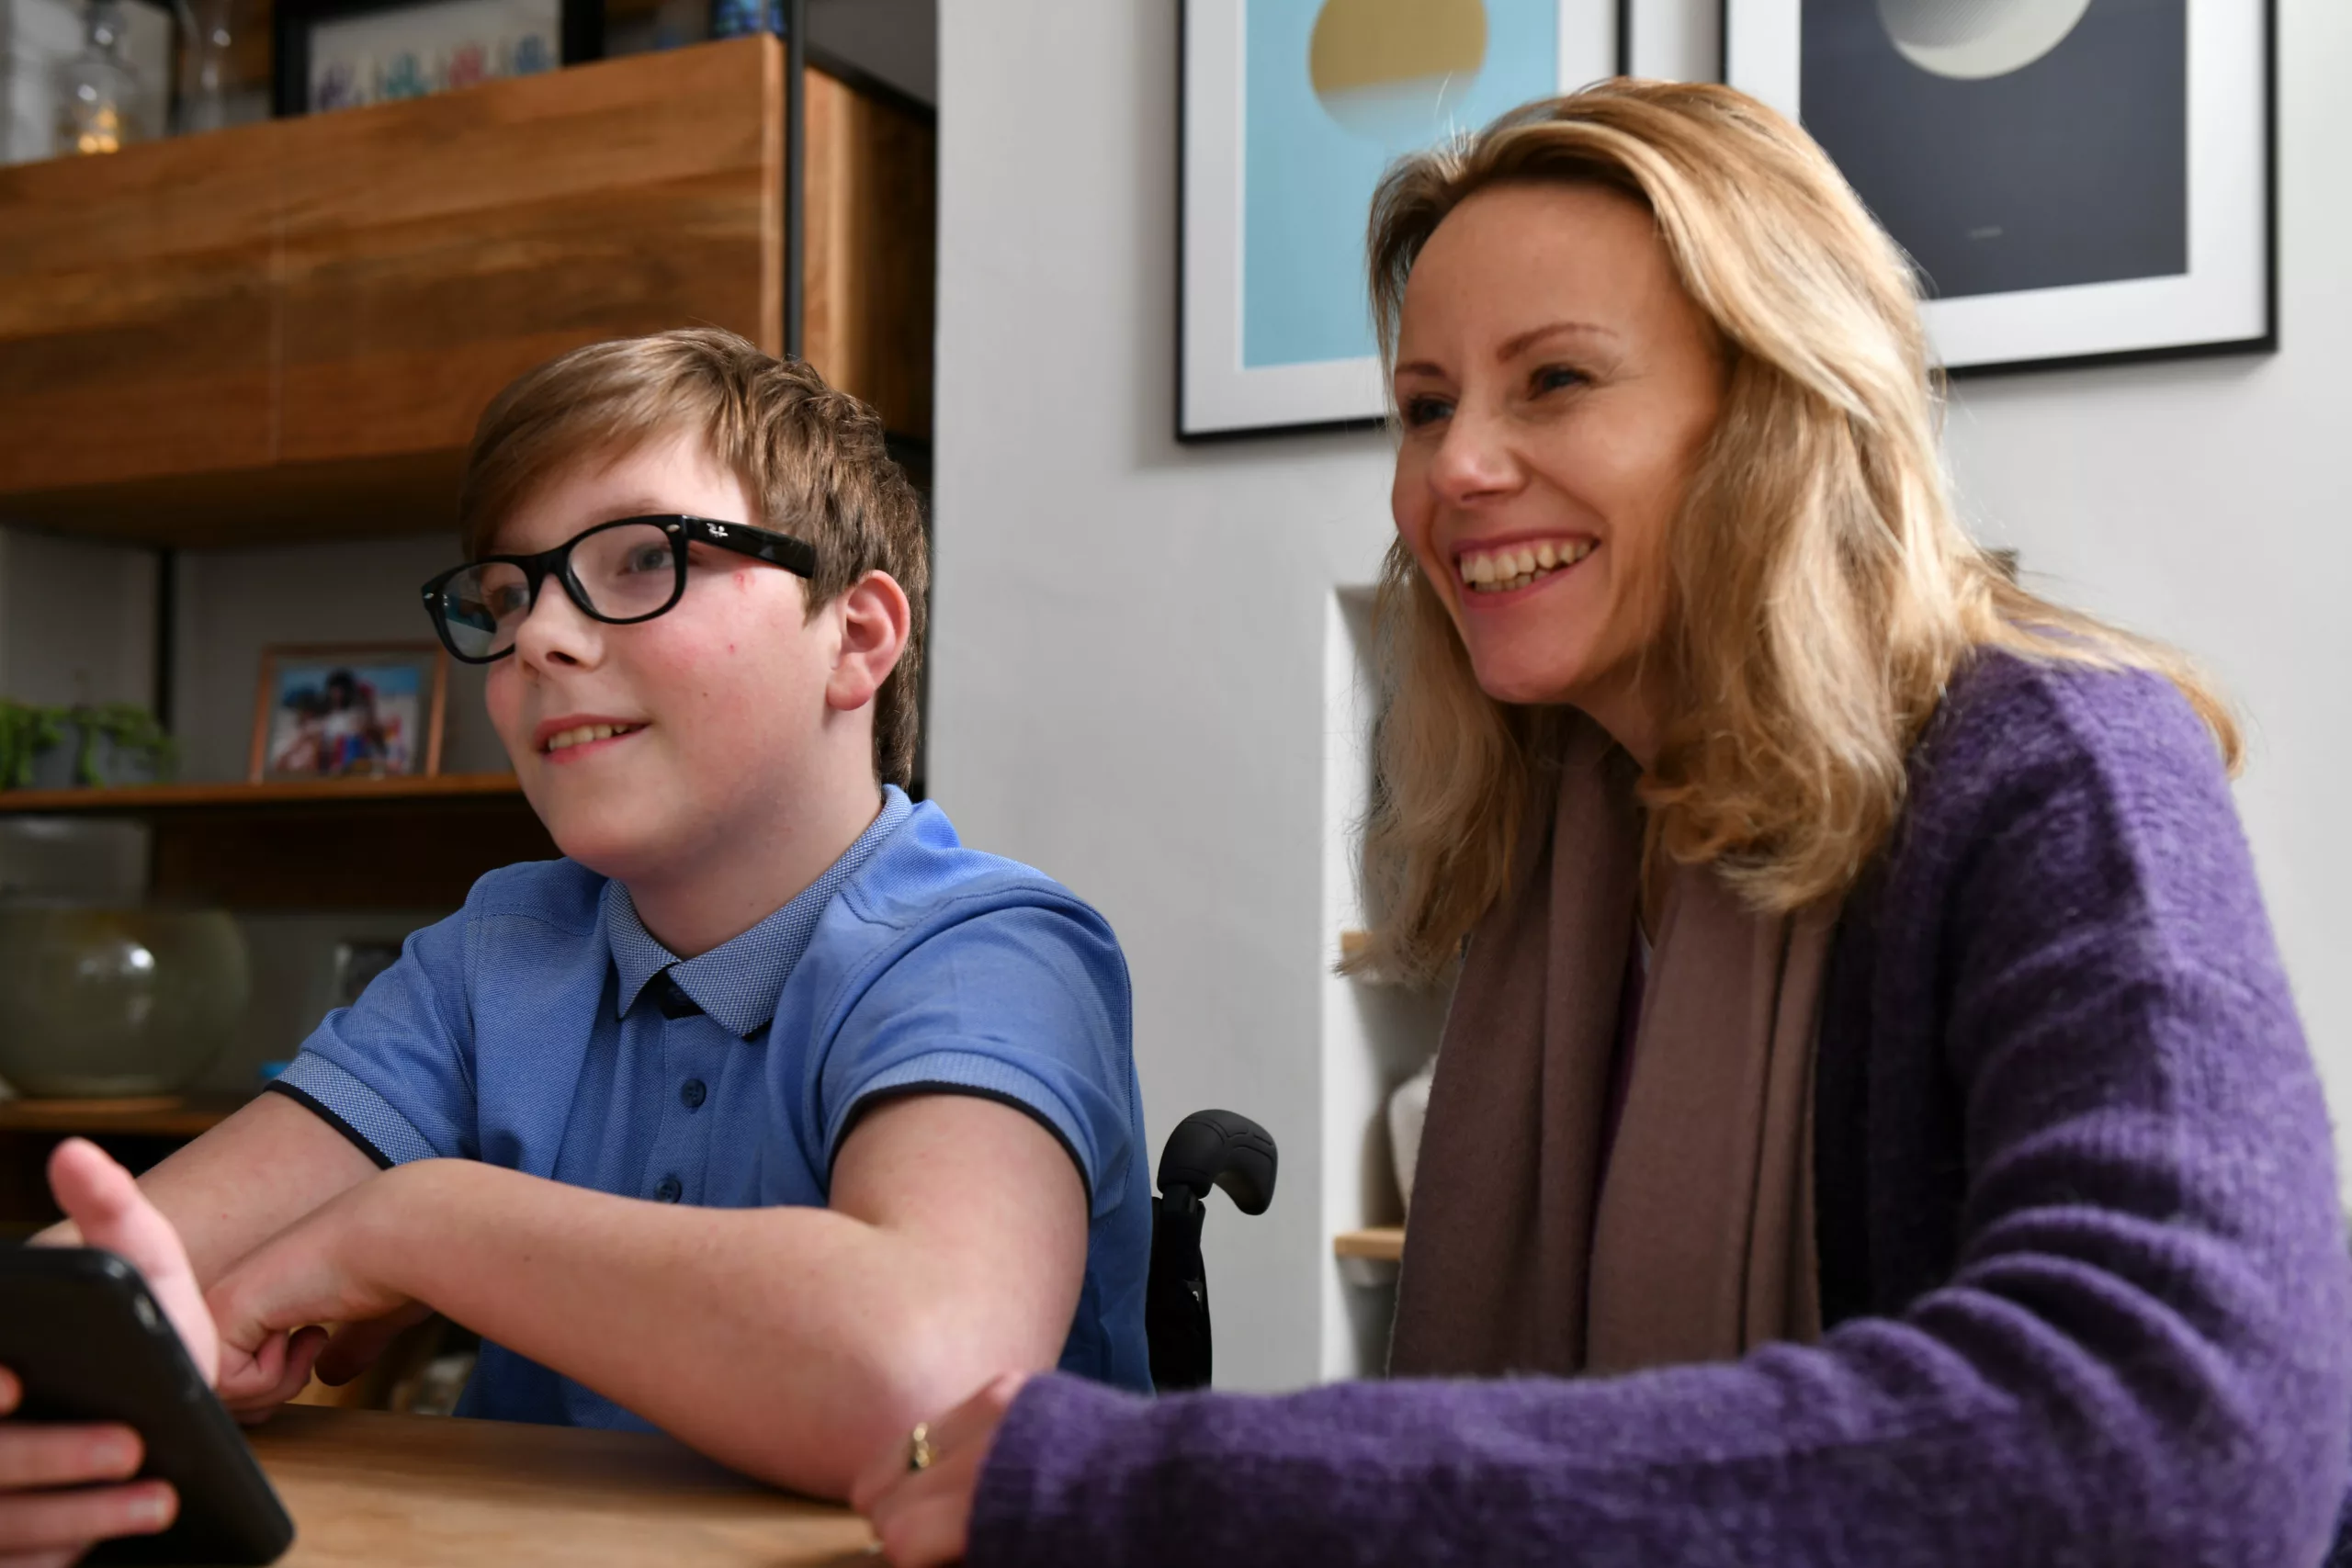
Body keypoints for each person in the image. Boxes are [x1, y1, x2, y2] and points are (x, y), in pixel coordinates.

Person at [852, 82, 2352, 1566]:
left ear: (1776, 404)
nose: (1454, 468)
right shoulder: (1551, 837)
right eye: (1426, 405)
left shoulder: (2062, 766)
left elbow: (2191, 1434)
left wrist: (1174, 1485)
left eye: (1554, 381)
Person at [0, 329, 1151, 1561]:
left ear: (859, 638)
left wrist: (415, 1221)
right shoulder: (499, 950)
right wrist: (73, 1400)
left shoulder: (989, 953)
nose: (538, 636)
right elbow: (104, 1284)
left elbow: (927, 1376)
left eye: (643, 558)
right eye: (507, 593)